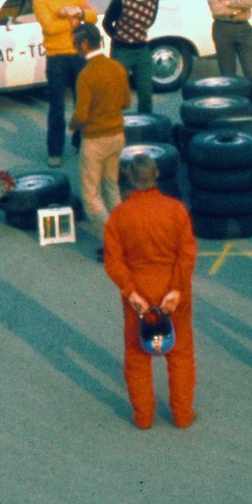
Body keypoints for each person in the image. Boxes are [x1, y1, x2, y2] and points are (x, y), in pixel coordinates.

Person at [103, 151, 198, 429]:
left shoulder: (119, 216)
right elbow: (187, 254)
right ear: (156, 175)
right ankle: (182, 415)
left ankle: (143, 417)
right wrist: (177, 290)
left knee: (137, 356)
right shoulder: (175, 210)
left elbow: (113, 260)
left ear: (130, 180)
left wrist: (130, 292)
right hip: (172, 288)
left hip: (139, 291)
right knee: (180, 353)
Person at [33, 0, 97, 168]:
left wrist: (75, 13)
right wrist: (74, 21)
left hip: (78, 56)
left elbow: (93, 16)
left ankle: (81, 143)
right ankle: (55, 151)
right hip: (56, 58)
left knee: (83, 103)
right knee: (57, 107)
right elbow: (50, 28)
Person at [69, 23, 128, 250]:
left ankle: (114, 244)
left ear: (84, 44)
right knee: (112, 189)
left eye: (75, 43)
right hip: (117, 137)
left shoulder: (86, 75)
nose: (74, 47)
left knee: (91, 197)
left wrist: (72, 125)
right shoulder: (117, 68)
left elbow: (81, 114)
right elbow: (126, 102)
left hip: (95, 141)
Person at [104, 0, 162, 115]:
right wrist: (119, 37)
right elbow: (107, 23)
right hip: (122, 50)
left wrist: (137, 35)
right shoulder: (121, 0)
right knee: (118, 93)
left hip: (142, 49)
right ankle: (115, 125)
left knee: (146, 91)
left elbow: (151, 20)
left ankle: (146, 126)